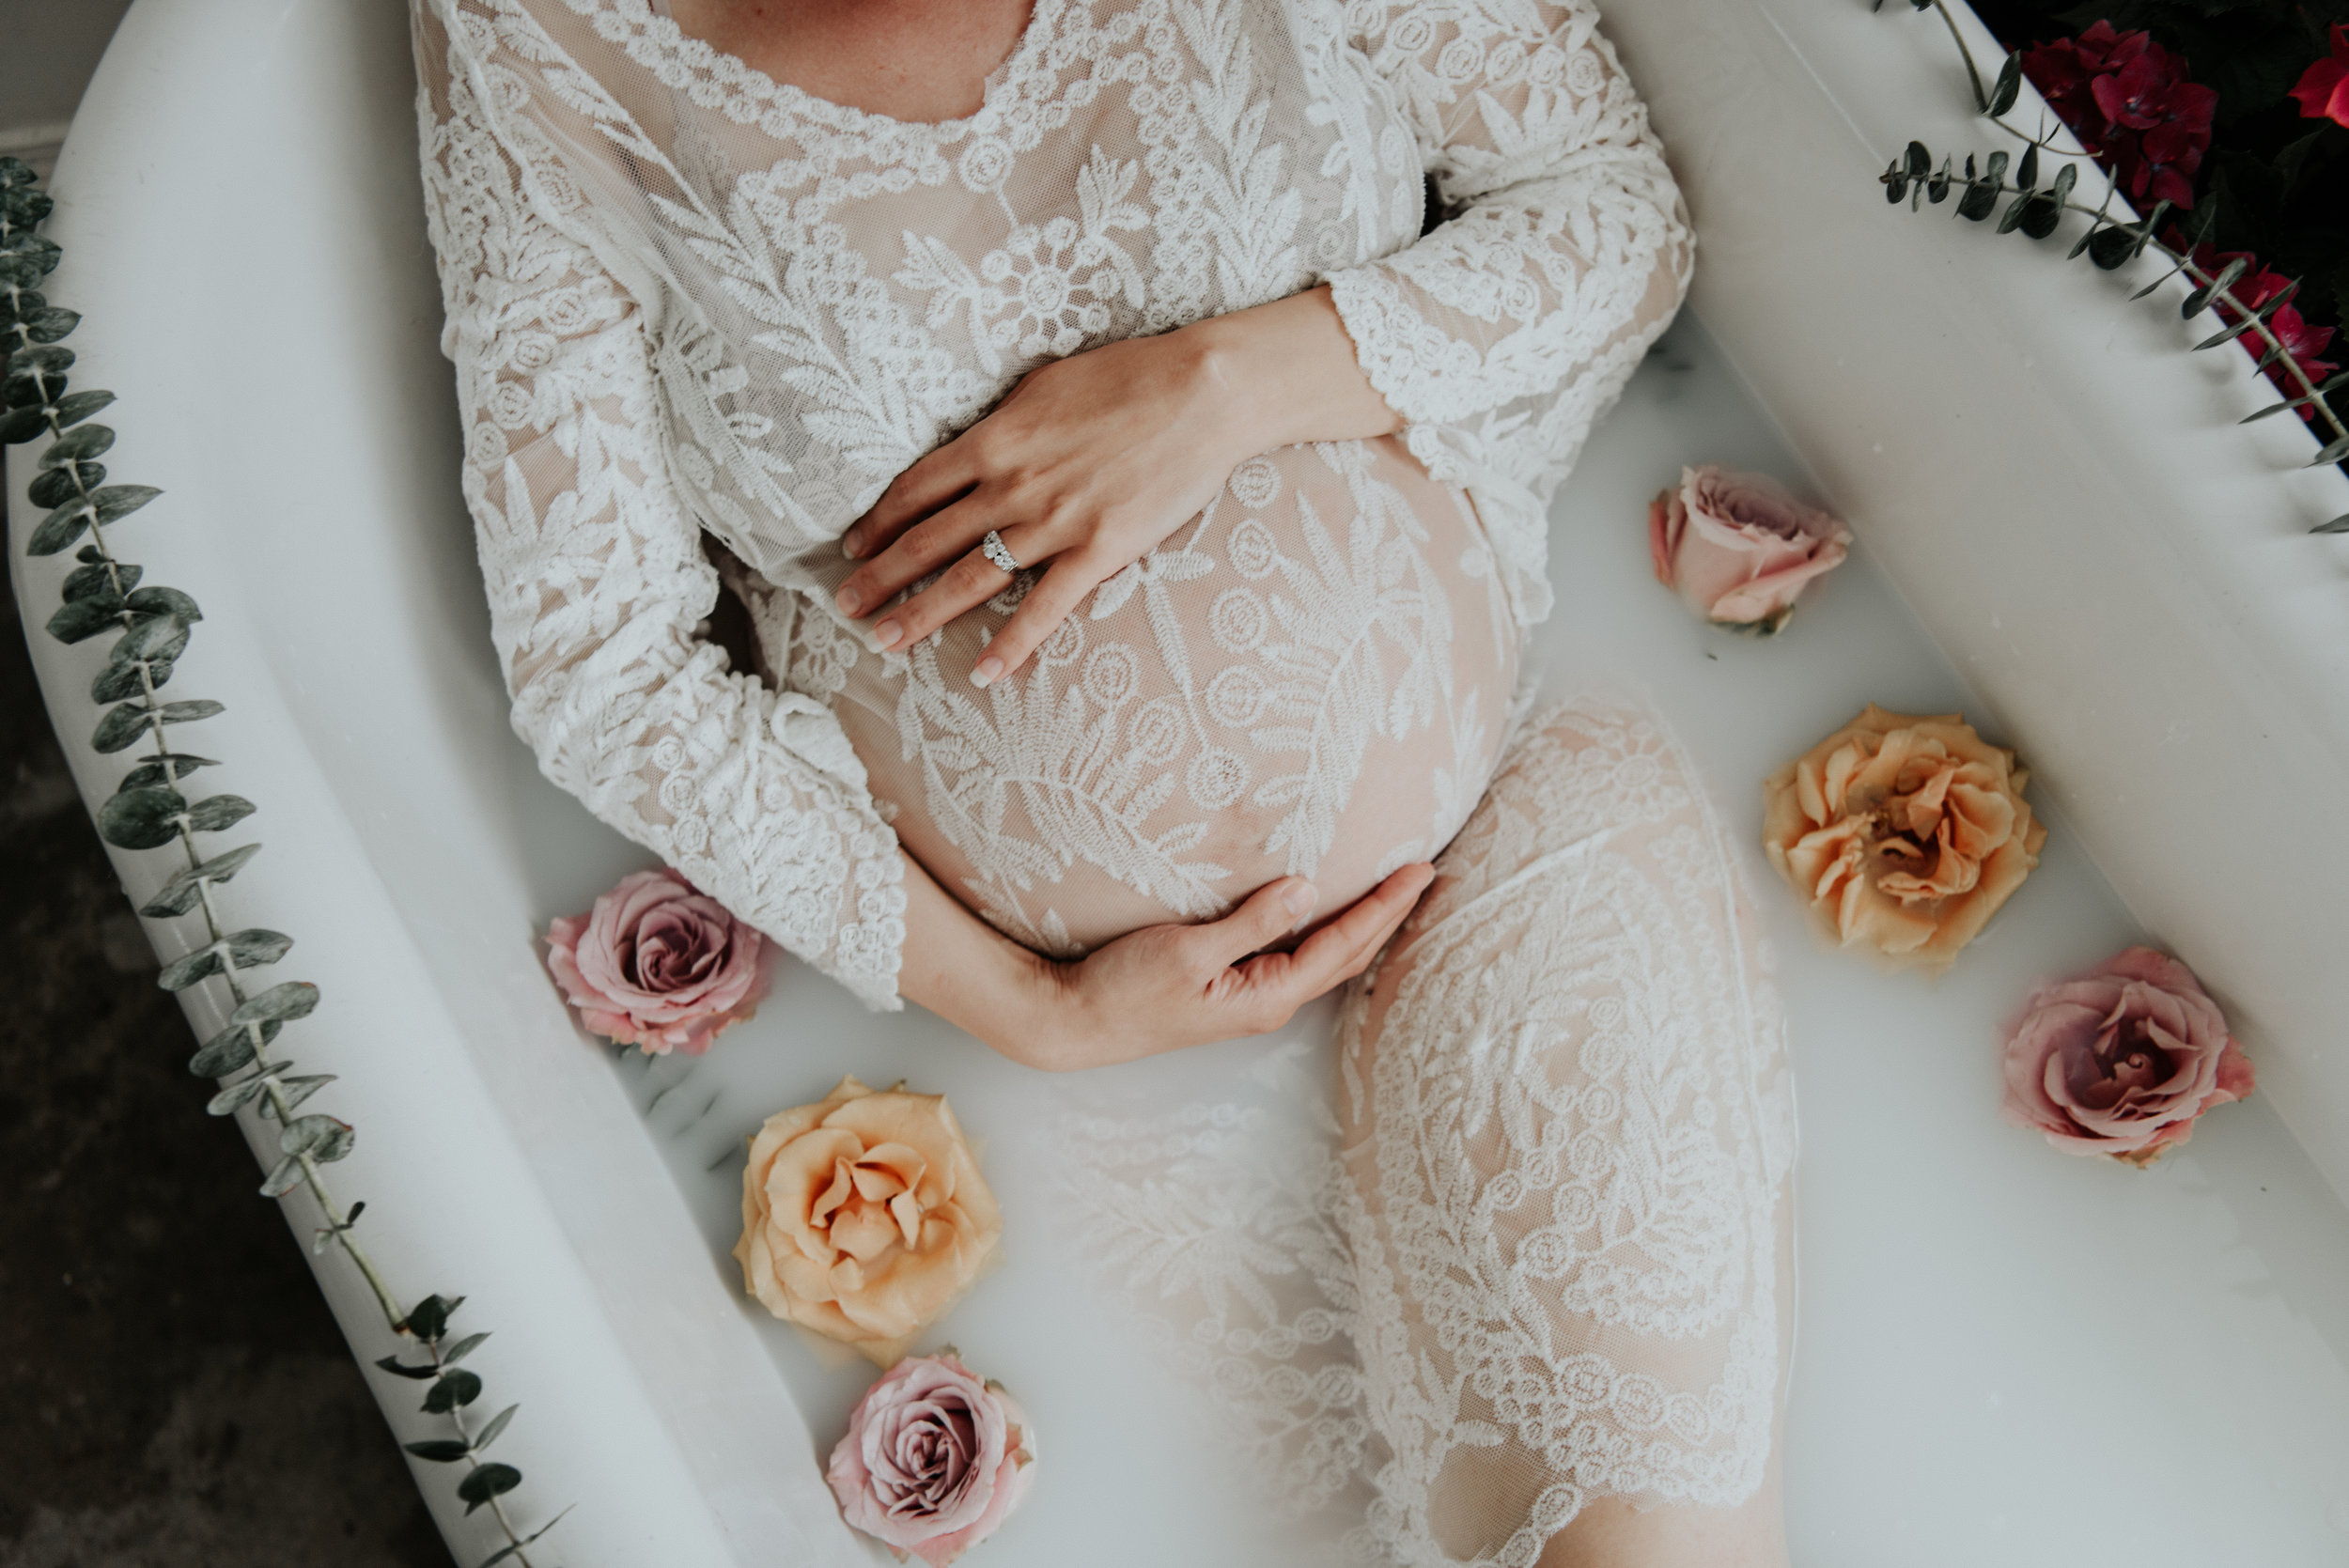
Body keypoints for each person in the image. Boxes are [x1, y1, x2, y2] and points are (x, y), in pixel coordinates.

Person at [410, 1, 1794, 1560]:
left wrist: (1221, 386)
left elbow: (1612, 213)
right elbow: (600, 662)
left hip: (1493, 824)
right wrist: (1030, 1010)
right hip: (999, 1116)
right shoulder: (545, 39)